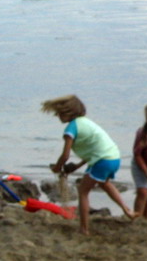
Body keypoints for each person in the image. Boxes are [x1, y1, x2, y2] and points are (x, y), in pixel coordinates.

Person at [41, 95, 136, 235]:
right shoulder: (86, 123)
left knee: (83, 192)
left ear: (68, 113)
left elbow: (65, 155)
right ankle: (127, 210)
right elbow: (94, 151)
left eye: (59, 113)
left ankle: (84, 229)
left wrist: (56, 168)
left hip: (102, 161)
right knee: (104, 183)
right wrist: (76, 166)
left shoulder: (71, 128)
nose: (57, 116)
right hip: (114, 157)